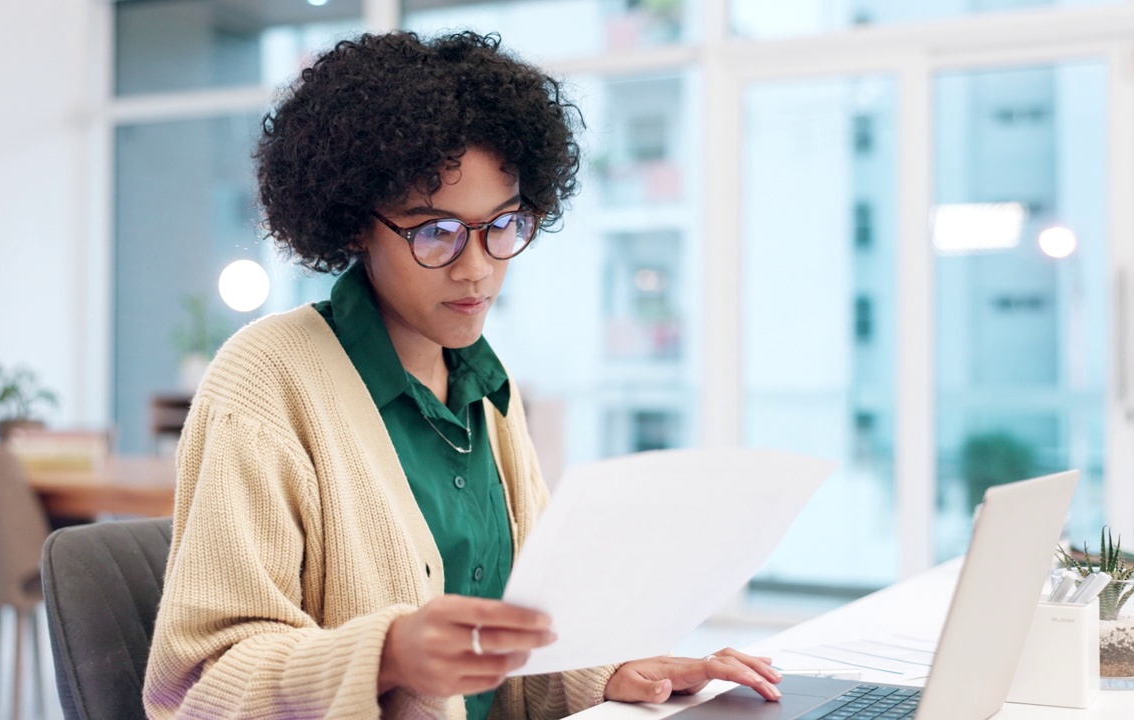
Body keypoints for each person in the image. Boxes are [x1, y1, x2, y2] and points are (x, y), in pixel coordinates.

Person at [143, 30, 783, 719]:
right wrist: (387, 654)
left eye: (503, 224)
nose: (476, 266)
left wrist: (616, 673)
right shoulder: (264, 383)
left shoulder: (485, 386)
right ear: (358, 224)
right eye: (435, 232)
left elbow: (520, 651)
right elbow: (199, 687)